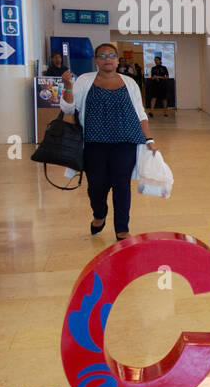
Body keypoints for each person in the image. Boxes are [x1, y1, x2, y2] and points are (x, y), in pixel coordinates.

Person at [59, 43, 158, 241]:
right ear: (96, 60)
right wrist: (68, 86)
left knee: (122, 185)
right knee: (97, 186)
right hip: (94, 143)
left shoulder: (129, 82)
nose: (107, 59)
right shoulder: (85, 81)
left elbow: (140, 112)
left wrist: (149, 138)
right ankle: (99, 214)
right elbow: (68, 108)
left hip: (126, 141)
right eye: (102, 55)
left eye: (111, 55)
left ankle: (122, 228)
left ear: (117, 59)